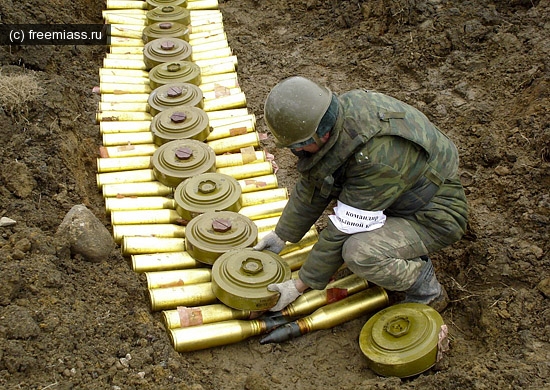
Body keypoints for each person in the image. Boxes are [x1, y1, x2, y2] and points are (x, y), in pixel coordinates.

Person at [253, 76, 468, 313]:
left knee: (359, 253)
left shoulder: (376, 159)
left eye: (300, 144)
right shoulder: (335, 115)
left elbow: (344, 229)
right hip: (396, 192)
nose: (297, 151)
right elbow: (314, 182)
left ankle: (426, 288)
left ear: (321, 134)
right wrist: (282, 234)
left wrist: (299, 285)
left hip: (432, 214)